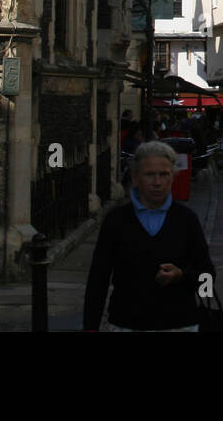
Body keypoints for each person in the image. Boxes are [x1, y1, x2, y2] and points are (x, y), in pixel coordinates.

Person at [84, 141, 214, 332]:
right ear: (135, 178)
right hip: (127, 323)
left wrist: (182, 275)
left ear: (173, 177)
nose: (157, 182)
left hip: (179, 323)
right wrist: (90, 327)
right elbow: (98, 279)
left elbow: (207, 279)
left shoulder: (186, 219)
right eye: (150, 175)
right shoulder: (116, 220)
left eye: (164, 174)